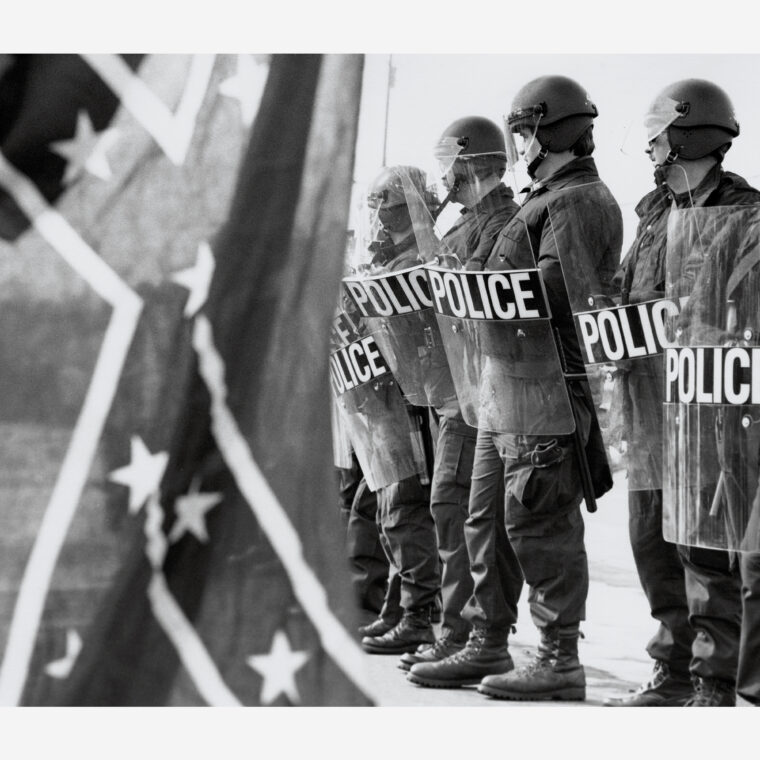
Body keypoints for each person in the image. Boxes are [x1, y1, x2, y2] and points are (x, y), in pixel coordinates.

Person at [417, 76, 621, 701]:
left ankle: (560, 656)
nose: (520, 143)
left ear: (551, 130)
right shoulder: (545, 199)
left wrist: (479, 291)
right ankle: (487, 641)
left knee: (539, 521)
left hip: (544, 391)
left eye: (527, 130)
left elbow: (559, 292)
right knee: (488, 517)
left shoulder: (578, 201)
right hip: (502, 386)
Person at [604, 79, 760, 707]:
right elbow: (625, 289)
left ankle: (714, 678)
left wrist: (691, 331)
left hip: (706, 408)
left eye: (657, 135)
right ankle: (672, 661)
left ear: (685, 136)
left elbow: (743, 315)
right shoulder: (652, 214)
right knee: (650, 537)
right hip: (647, 406)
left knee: (705, 546)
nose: (649, 148)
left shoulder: (746, 217)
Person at [405, 116, 526, 686]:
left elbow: (483, 298)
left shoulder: (501, 223)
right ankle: (455, 631)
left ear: (468, 163)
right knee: (453, 508)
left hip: (482, 392)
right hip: (459, 389)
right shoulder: (468, 223)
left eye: (449, 167)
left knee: (466, 512)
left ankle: (466, 633)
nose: (444, 178)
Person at [350, 165, 442, 654]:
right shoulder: (385, 259)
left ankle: (420, 612)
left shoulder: (424, 258)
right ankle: (398, 605)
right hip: (383, 403)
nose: (377, 219)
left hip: (415, 403)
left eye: (381, 206)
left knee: (406, 509)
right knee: (386, 508)